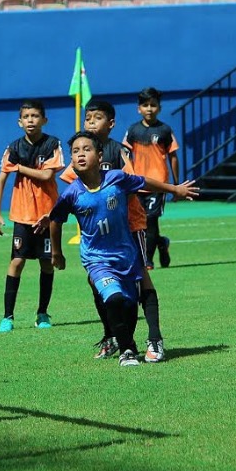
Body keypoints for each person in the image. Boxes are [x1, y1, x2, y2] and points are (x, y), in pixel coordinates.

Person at [46, 131, 199, 367]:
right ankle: (127, 351)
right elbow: (55, 220)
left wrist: (174, 189)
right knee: (115, 299)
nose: (80, 155)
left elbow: (144, 181)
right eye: (75, 152)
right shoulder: (71, 193)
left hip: (125, 255)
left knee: (128, 304)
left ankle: (130, 342)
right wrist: (57, 252)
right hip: (97, 260)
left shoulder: (117, 178)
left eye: (86, 149)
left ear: (99, 155)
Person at [59, 100, 167, 363]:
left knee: (141, 278)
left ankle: (154, 338)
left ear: (111, 124)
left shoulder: (119, 151)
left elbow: (132, 182)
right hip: (100, 236)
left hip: (130, 225)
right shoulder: (82, 152)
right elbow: (72, 188)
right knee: (97, 282)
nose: (91, 123)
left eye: (97, 118)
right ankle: (112, 336)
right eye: (88, 118)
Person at [0, 100, 65, 333]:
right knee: (17, 261)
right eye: (26, 116)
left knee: (47, 262)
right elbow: (1, 178)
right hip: (22, 214)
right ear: (19, 121)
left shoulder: (52, 144)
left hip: (46, 214)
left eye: (35, 116)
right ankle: (8, 316)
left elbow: (46, 176)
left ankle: (42, 313)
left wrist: (21, 169)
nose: (31, 120)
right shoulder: (13, 147)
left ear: (44, 120)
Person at [124, 87, 180, 270]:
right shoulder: (132, 131)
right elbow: (124, 155)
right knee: (137, 222)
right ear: (139, 108)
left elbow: (173, 156)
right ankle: (162, 243)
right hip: (137, 184)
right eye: (145, 105)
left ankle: (147, 260)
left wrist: (176, 184)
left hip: (158, 184)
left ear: (159, 108)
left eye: (153, 105)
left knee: (150, 220)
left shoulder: (165, 130)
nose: (149, 109)